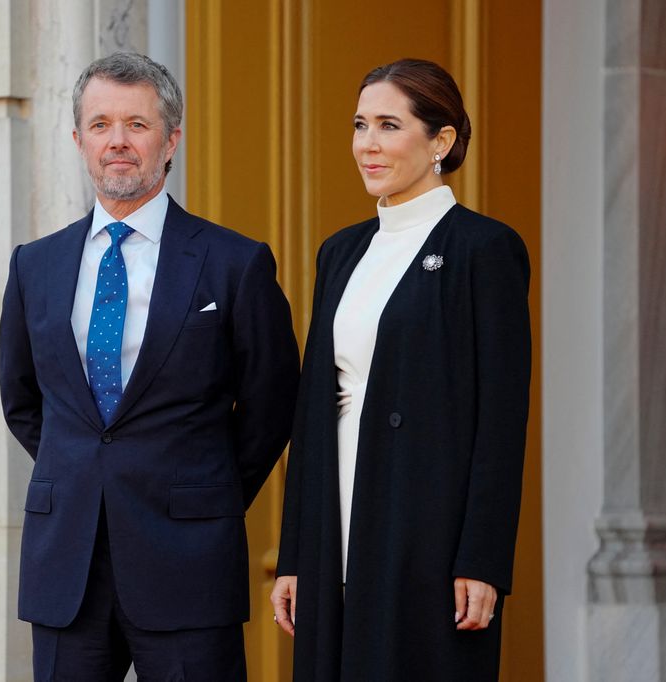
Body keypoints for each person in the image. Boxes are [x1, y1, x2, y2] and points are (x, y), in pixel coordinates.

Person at [0, 52, 300, 681]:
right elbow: (24, 402)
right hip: (67, 569)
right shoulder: (34, 265)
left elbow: (272, 407)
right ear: (78, 139)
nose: (118, 141)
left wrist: (202, 490)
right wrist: (89, 474)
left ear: (172, 140)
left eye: (137, 125)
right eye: (101, 124)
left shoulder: (235, 263)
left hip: (188, 559)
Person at [270, 58, 531, 680]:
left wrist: (484, 558)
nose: (368, 144)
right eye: (361, 125)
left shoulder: (484, 249)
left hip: (430, 533)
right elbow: (314, 412)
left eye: (389, 125)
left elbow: (502, 417)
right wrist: (296, 554)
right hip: (335, 526)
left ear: (440, 140)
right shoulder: (340, 251)